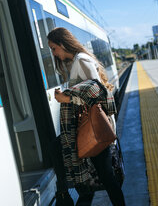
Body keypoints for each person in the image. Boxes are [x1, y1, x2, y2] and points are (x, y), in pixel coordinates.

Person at [47, 27, 125, 206]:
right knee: (96, 180)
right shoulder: (78, 61)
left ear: (62, 43)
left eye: (53, 48)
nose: (53, 53)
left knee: (106, 178)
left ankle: (62, 191)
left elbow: (97, 91)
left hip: (94, 127)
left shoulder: (81, 60)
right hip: (89, 127)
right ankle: (63, 191)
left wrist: (66, 97)